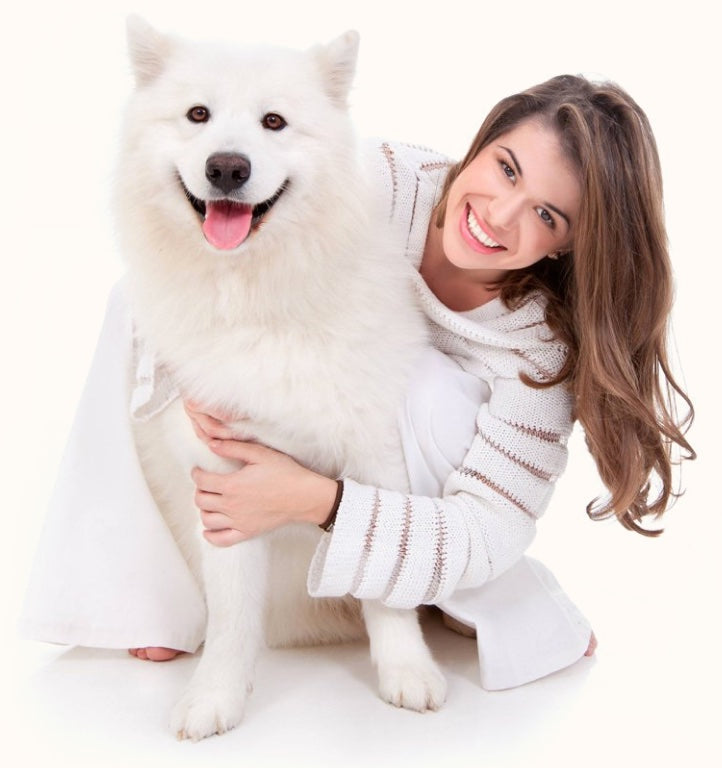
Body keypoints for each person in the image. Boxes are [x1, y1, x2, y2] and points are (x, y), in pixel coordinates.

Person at [21, 74, 692, 691]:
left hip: (392, 471)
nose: (500, 214)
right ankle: (145, 594)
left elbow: (489, 527)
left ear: (570, 244)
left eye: (547, 215)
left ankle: (451, 593)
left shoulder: (539, 349)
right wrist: (203, 376)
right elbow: (221, 276)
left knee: (422, 390)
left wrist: (313, 498)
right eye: (505, 168)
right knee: (130, 301)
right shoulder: (382, 182)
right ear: (481, 144)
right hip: (301, 414)